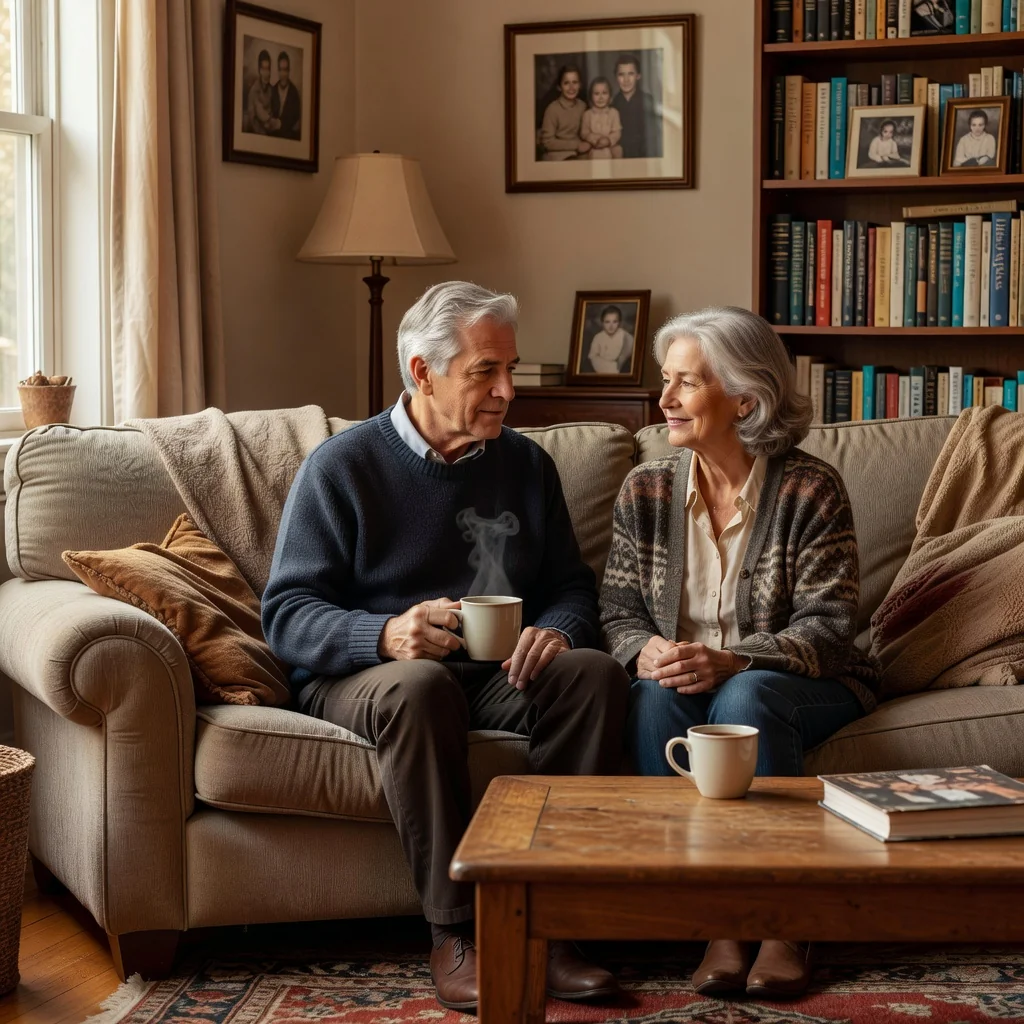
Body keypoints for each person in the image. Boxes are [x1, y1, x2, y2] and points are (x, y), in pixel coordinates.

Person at [263, 281, 629, 1013]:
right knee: (421, 685)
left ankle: (548, 927)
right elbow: (287, 612)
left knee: (592, 675)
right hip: (369, 675)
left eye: (511, 370)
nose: (507, 391)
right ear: (422, 371)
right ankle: (454, 931)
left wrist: (557, 630)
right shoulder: (342, 466)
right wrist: (385, 634)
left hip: (496, 673)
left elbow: (571, 587)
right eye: (484, 373)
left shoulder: (525, 466)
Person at [600, 305, 880, 1000]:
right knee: (655, 695)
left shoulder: (809, 488)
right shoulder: (647, 489)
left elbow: (832, 623)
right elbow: (616, 610)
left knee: (742, 698)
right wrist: (649, 652)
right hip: (689, 680)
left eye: (684, 384)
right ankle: (720, 920)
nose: (663, 400)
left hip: (803, 681)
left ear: (745, 399)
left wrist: (735, 659)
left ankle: (785, 920)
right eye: (666, 381)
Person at [611, 54, 662, 159]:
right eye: (621, 74)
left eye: (630, 74)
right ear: (616, 77)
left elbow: (653, 137)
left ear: (638, 76)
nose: (626, 80)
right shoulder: (612, 105)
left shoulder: (647, 101)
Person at [539, 65, 588, 161]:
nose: (571, 87)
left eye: (575, 82)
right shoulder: (552, 109)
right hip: (558, 153)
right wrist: (576, 145)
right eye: (566, 83)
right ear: (559, 87)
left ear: (580, 85)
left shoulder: (583, 106)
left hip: (579, 152)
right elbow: (547, 142)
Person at [580, 77, 623, 160]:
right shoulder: (587, 114)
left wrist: (608, 140)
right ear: (591, 96)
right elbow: (584, 132)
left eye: (604, 93)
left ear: (610, 96)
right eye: (596, 94)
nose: (600, 97)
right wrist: (594, 139)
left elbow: (617, 132)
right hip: (593, 146)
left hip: (610, 146)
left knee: (617, 150)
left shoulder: (614, 113)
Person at [587, 306, 633, 374]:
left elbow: (627, 355)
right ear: (602, 323)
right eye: (607, 322)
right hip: (602, 368)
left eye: (614, 322)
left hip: (621, 370)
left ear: (619, 323)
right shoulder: (598, 337)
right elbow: (593, 357)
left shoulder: (626, 336)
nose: (611, 326)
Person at [269, 51, 301, 139]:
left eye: (285, 70)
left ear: (289, 71)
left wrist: (280, 124)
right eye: (281, 70)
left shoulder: (294, 94)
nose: (283, 74)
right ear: (278, 71)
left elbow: (295, 117)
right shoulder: (272, 90)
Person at [245, 49, 274, 134]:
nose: (266, 73)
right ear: (259, 71)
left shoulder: (272, 90)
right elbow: (253, 123)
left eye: (268, 69)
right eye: (263, 69)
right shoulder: (253, 92)